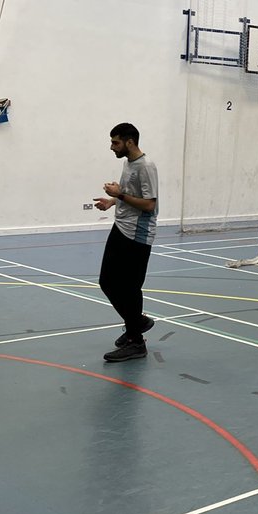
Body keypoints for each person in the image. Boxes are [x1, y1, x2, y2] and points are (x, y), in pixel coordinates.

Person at [92, 123, 159, 363]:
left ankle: (136, 341)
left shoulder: (146, 166)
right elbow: (132, 196)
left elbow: (149, 204)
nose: (112, 147)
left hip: (138, 234)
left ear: (129, 142)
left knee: (130, 287)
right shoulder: (128, 163)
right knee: (107, 282)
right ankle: (137, 323)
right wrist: (113, 202)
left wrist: (119, 195)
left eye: (115, 142)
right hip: (121, 227)